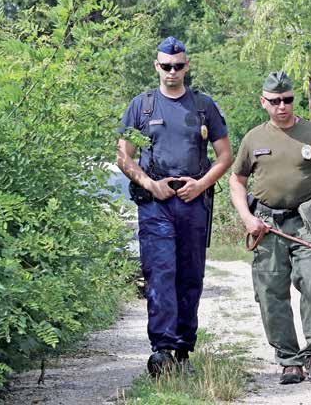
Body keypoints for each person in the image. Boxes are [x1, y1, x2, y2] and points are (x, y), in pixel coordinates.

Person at [116, 37, 232, 374]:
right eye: (166, 66)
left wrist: (201, 185)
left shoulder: (203, 105)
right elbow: (124, 156)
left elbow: (225, 156)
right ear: (156, 67)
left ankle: (183, 351)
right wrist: (150, 184)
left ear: (187, 66)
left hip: (193, 201)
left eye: (178, 66)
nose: (172, 72)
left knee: (190, 276)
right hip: (156, 203)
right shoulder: (142, 106)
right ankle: (162, 350)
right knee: (160, 273)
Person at [229, 71, 311, 384]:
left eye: (288, 99)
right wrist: (247, 218)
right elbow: (236, 181)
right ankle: (289, 360)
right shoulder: (254, 138)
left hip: (308, 223)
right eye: (275, 101)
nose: (282, 106)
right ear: (263, 102)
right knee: (270, 293)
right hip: (266, 226)